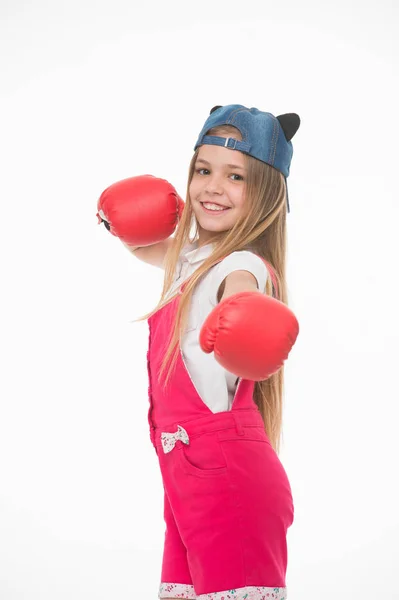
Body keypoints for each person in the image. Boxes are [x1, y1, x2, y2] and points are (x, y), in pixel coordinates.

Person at [96, 104, 301, 600]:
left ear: (268, 193)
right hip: (186, 470)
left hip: (226, 476)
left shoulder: (244, 265)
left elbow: (241, 291)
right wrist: (115, 216)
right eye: (204, 170)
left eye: (237, 176)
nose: (213, 186)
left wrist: (244, 316)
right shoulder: (193, 258)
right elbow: (146, 248)